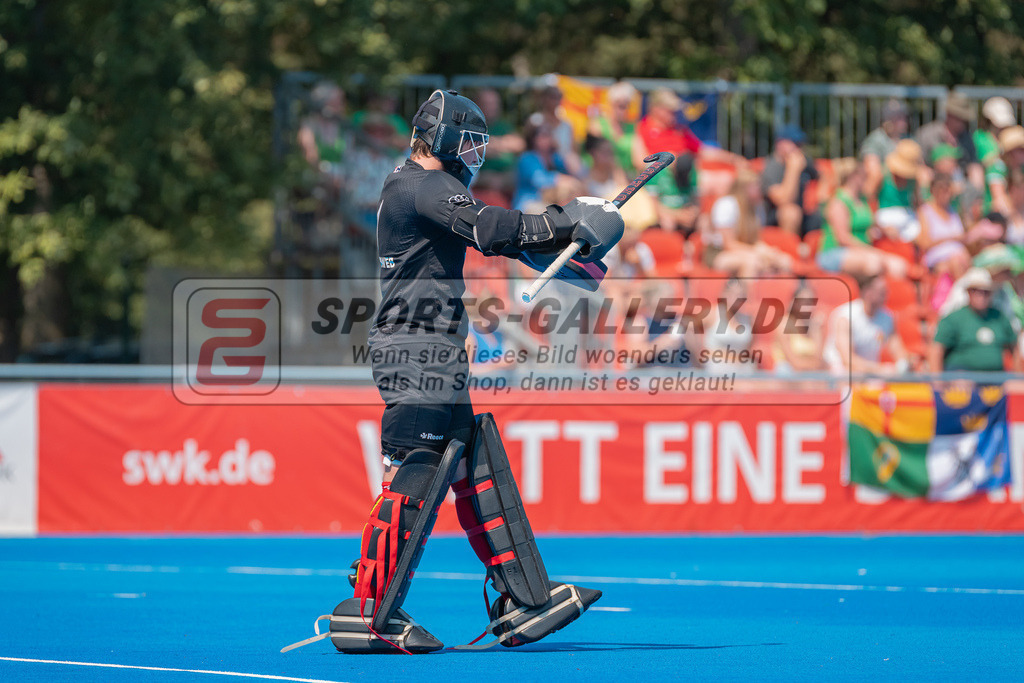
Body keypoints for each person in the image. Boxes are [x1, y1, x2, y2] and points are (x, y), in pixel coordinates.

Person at [306, 89, 619, 654]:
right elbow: (490, 227)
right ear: (445, 139)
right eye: (471, 143)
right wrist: (565, 218)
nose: (475, 156)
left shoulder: (417, 186)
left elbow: (501, 240)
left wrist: (570, 244)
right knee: (416, 472)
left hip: (431, 348)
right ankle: (371, 611)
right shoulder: (424, 184)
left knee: (474, 463)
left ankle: (522, 597)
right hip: (416, 348)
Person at [816, 159, 907, 277]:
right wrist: (872, 251)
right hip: (835, 253)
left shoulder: (862, 200)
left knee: (898, 265)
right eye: (864, 175)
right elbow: (843, 239)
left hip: (861, 252)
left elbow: (872, 222)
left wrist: (887, 230)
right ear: (854, 177)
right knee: (873, 263)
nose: (867, 179)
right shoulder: (838, 202)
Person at [930, 267, 1017, 372]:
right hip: (961, 375)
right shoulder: (954, 318)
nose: (981, 295)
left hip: (995, 377)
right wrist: (937, 379)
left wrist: (1017, 376)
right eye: (976, 290)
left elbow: (1015, 348)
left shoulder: (999, 317)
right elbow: (937, 349)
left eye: (986, 292)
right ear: (968, 292)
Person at [706, 170, 791, 276]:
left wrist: (769, 252)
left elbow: (755, 241)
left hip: (746, 249)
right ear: (744, 188)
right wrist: (758, 252)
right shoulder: (726, 205)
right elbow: (729, 244)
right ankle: (745, 287)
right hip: (719, 253)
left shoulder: (757, 207)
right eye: (755, 186)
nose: (759, 189)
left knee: (782, 261)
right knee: (752, 262)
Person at [822, 273, 908, 375]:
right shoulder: (845, 316)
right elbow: (847, 360)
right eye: (881, 292)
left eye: (885, 291)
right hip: (841, 373)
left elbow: (898, 350)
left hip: (870, 374)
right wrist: (881, 369)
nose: (885, 295)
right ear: (867, 292)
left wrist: (904, 365)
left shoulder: (887, 318)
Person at [761, 124, 820, 236]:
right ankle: (790, 246)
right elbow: (783, 200)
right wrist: (793, 170)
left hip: (802, 214)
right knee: (791, 213)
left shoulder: (804, 162)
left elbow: (823, 175)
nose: (798, 149)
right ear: (780, 144)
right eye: (795, 144)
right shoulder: (772, 167)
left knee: (825, 213)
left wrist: (821, 197)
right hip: (775, 217)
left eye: (800, 145)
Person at [512, 116, 577, 212]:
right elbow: (539, 180)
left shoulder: (555, 157)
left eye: (549, 133)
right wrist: (559, 178)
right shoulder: (527, 158)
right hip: (528, 204)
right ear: (532, 137)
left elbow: (577, 173)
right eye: (541, 133)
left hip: (549, 203)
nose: (546, 137)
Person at [861, 98, 909, 198]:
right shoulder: (875, 140)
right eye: (897, 117)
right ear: (887, 120)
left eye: (903, 116)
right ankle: (866, 203)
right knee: (875, 174)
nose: (902, 120)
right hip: (884, 187)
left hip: (905, 184)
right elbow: (872, 168)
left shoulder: (908, 139)